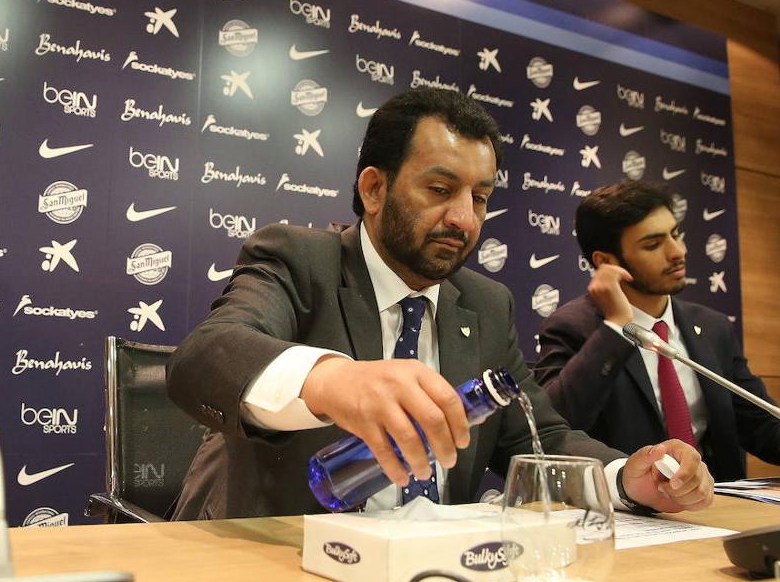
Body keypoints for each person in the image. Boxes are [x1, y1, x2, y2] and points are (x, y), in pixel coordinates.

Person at [166, 88, 713, 519]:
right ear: (375, 189)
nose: (464, 219)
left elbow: (540, 434)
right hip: (279, 553)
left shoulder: (486, 302)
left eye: (479, 198)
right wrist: (333, 382)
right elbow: (206, 356)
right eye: (439, 190)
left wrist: (623, 477)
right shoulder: (298, 258)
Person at [534, 180, 780, 480]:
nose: (677, 252)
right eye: (653, 244)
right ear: (607, 261)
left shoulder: (714, 327)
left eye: (676, 235)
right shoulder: (571, 327)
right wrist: (615, 327)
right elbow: (554, 426)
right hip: (629, 512)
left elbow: (760, 425)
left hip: (717, 506)